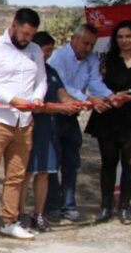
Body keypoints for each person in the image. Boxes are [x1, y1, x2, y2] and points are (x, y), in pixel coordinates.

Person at [0, 8, 47, 241]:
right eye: (24, 33)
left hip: (24, 122)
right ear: (13, 25)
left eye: (31, 35)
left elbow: (41, 80)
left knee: (16, 175)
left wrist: (37, 98)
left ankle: (9, 221)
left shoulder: (35, 51)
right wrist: (13, 100)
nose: (27, 39)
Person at [46, 23, 113, 222]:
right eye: (85, 43)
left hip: (72, 117)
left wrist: (110, 97)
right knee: (52, 163)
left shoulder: (91, 59)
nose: (88, 48)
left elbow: (95, 82)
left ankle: (69, 204)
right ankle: (53, 206)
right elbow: (63, 88)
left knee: (72, 162)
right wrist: (89, 100)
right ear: (73, 39)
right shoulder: (58, 58)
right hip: (55, 114)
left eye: (92, 45)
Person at [85, 19, 131, 225]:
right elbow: (95, 86)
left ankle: (125, 207)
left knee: (130, 165)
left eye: (128, 36)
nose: (124, 40)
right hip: (109, 119)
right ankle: (105, 207)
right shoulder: (105, 61)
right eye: (120, 37)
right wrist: (112, 97)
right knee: (108, 163)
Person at [19, 32, 81, 232]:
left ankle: (39, 213)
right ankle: (20, 214)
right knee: (26, 173)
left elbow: (63, 95)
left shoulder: (51, 71)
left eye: (50, 51)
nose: (48, 55)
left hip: (49, 130)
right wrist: (61, 109)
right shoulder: (26, 72)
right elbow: (34, 106)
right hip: (28, 127)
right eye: (46, 51)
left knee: (44, 173)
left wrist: (81, 103)